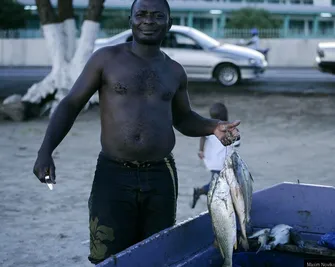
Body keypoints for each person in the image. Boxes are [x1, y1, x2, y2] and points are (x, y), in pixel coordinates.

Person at [32, 0, 240, 264]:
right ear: (130, 20)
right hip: (113, 174)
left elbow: (184, 118)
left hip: (160, 176)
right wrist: (45, 150)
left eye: (157, 16)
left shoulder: (174, 71)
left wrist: (213, 126)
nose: (148, 20)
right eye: (141, 14)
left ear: (169, 23)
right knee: (106, 257)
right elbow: (72, 103)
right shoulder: (106, 59)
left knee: (156, 255)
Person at [191, 102, 240, 209]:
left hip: (211, 160)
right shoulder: (229, 129)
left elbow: (203, 137)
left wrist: (201, 150)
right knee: (220, 184)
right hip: (222, 162)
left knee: (220, 182)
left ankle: (216, 199)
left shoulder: (209, 128)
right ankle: (200, 192)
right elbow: (237, 143)